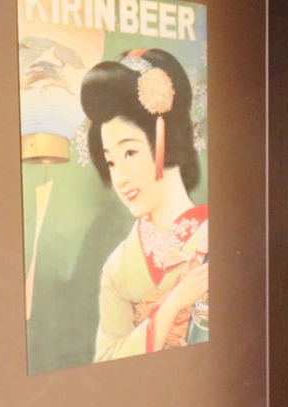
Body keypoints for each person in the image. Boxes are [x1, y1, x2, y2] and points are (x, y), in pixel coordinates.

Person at [81, 47, 208, 362]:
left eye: (129, 153)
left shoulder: (216, 237)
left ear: (166, 140)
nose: (120, 178)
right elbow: (107, 359)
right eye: (111, 162)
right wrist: (174, 303)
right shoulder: (118, 267)